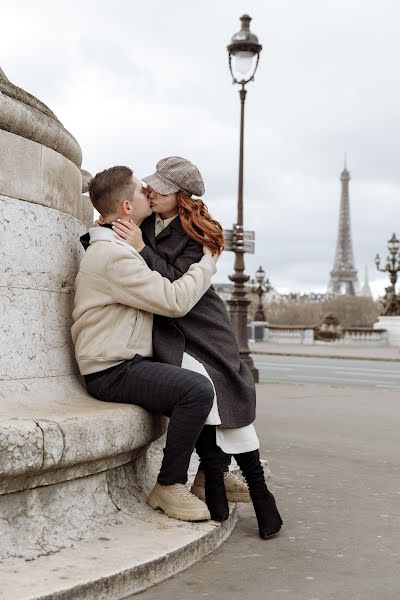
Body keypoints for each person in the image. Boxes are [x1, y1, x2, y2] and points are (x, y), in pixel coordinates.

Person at [112, 157, 283, 539]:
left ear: (181, 196)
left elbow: (175, 282)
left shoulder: (200, 232)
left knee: (225, 391)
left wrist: (141, 248)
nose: (151, 192)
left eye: (162, 188)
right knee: (202, 391)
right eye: (150, 186)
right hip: (171, 329)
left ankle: (258, 490)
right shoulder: (144, 221)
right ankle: (217, 484)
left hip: (202, 323)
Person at [71, 165, 220, 523]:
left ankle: (211, 477)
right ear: (125, 207)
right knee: (196, 390)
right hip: (113, 370)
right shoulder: (115, 257)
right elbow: (174, 301)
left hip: (122, 361)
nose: (148, 194)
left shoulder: (114, 246)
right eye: (141, 191)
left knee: (204, 372)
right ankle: (168, 487)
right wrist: (206, 262)